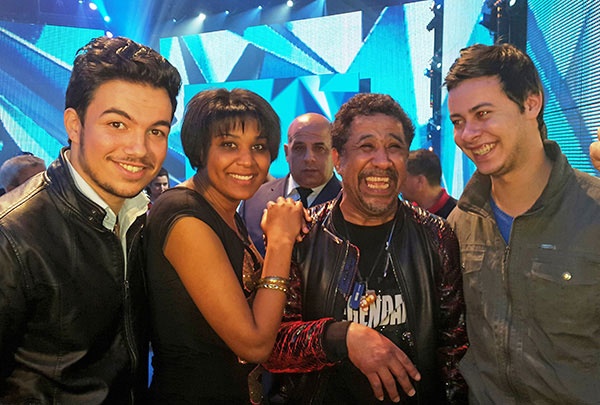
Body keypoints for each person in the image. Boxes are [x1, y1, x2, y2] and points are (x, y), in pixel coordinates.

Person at [0, 36, 181, 404]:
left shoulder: (138, 217)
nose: (139, 149)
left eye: (156, 131)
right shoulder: (11, 236)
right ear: (74, 124)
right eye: (117, 124)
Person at [263, 93, 468, 404]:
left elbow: (455, 352)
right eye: (367, 146)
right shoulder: (303, 236)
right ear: (338, 160)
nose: (382, 161)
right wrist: (342, 337)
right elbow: (272, 345)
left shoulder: (436, 236)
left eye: (394, 147)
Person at [445, 43, 600, 404]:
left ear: (531, 103)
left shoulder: (593, 211)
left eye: (483, 113)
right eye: (458, 121)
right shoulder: (459, 224)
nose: (468, 134)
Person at [144, 88, 309, 404]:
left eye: (258, 147)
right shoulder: (183, 214)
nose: (247, 161)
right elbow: (255, 345)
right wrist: (280, 241)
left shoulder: (226, 211)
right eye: (229, 145)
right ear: (200, 149)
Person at [238, 112, 341, 256]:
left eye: (319, 148)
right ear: (287, 153)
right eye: (299, 148)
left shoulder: (349, 204)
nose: (309, 158)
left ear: (335, 154)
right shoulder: (253, 199)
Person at [400, 148, 456, 218]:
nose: (399, 184)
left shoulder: (458, 217)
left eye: (403, 178)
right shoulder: (405, 214)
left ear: (420, 181)